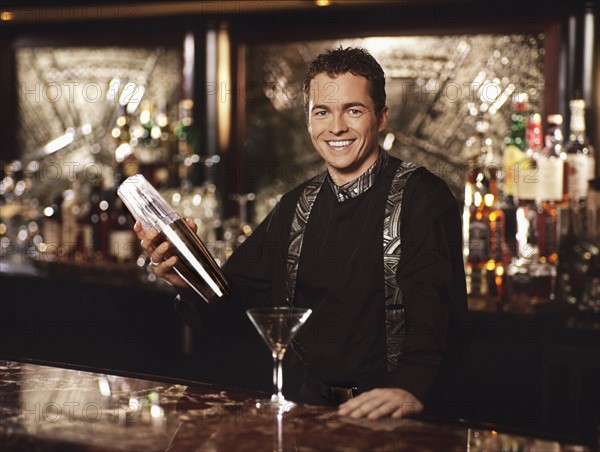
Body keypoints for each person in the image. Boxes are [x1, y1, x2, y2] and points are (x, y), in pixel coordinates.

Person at [135, 47, 467, 420]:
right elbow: (237, 307)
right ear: (308, 121)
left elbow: (437, 311)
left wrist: (409, 387)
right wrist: (187, 277)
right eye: (322, 112)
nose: (336, 127)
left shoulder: (423, 197)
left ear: (382, 117)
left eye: (353, 111)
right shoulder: (296, 206)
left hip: (392, 417)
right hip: (308, 411)